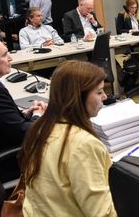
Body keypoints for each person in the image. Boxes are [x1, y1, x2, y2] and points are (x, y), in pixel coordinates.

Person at [19, 61, 117, 217]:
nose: (105, 96)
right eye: (99, 92)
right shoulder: (83, 144)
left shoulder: (41, 127)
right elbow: (101, 213)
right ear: (77, 97)